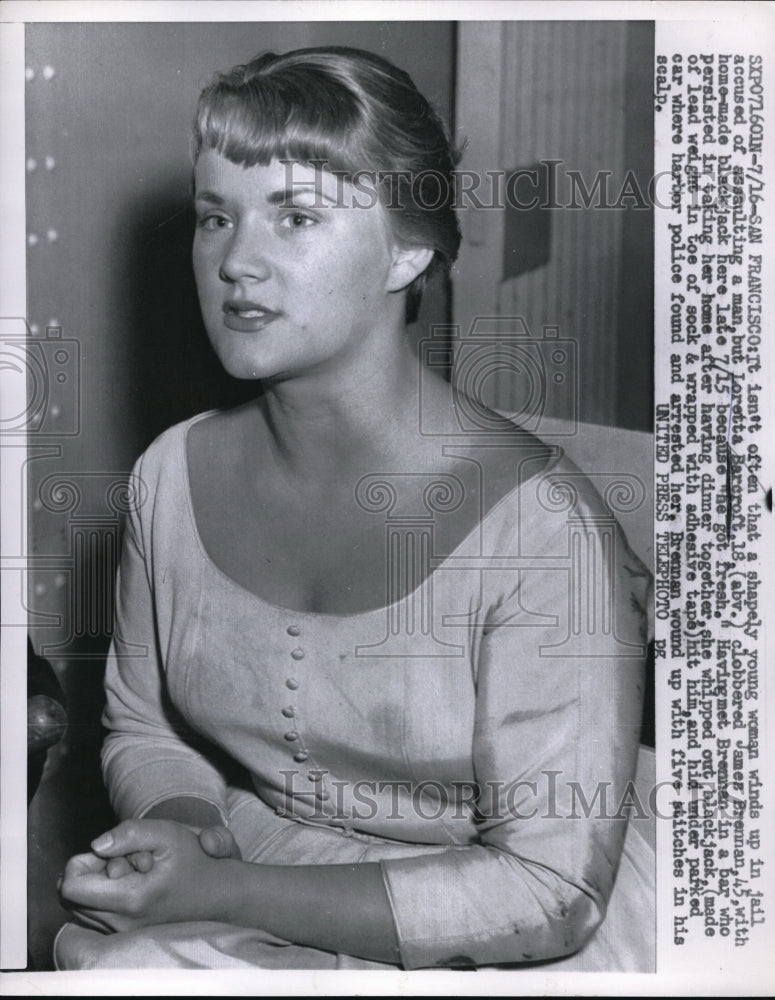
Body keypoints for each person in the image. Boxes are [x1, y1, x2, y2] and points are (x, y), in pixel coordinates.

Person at [56, 46, 655, 972]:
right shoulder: (168, 474)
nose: (235, 262)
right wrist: (185, 828)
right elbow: (146, 727)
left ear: (408, 250)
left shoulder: (544, 531)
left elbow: (547, 893)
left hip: (506, 909)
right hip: (261, 851)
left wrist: (224, 891)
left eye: (295, 216)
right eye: (216, 216)